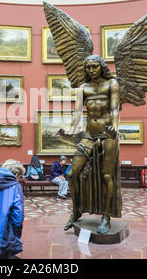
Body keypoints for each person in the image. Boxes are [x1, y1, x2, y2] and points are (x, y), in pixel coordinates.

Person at [63, 55, 121, 234]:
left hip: (108, 135)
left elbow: (114, 109)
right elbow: (77, 112)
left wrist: (115, 128)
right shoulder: (83, 88)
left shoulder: (112, 84)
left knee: (106, 176)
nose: (91, 70)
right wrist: (71, 130)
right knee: (72, 174)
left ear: (101, 67)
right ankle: (76, 211)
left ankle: (106, 216)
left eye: (94, 67)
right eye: (88, 67)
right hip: (89, 135)